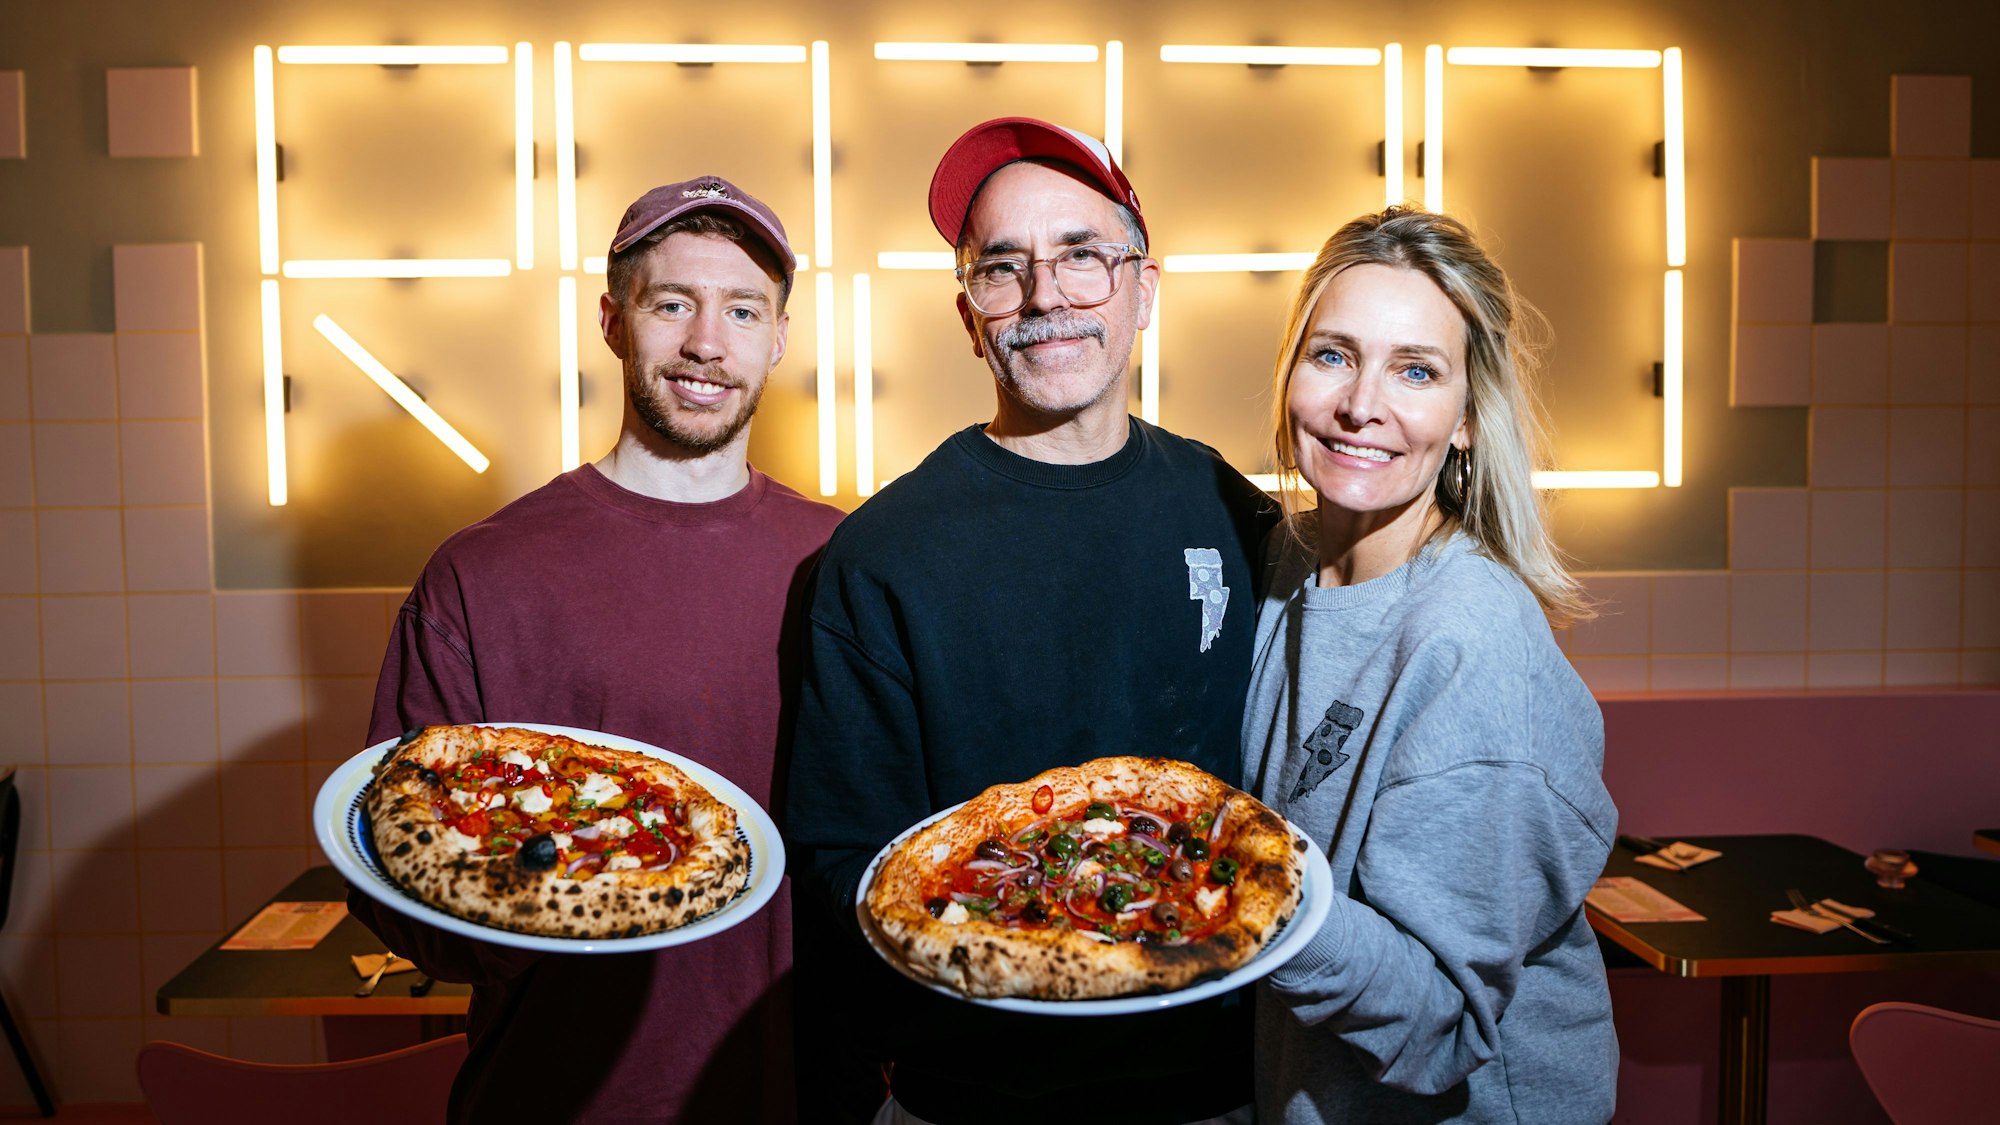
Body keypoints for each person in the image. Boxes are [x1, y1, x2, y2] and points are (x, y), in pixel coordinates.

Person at [784, 117, 1276, 1125]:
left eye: (1082, 256)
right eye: (1002, 268)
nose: (1045, 295)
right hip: (973, 1096)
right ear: (970, 316)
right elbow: (842, 864)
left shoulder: (1229, 508)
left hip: (1224, 1084)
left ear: (1144, 290)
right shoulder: (882, 553)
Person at [347, 175, 843, 1125]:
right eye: (672, 304)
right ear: (613, 322)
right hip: (557, 1096)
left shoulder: (845, 562)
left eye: (743, 310)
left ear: (779, 337)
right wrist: (551, 887)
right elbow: (392, 886)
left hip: (799, 1095)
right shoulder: (481, 574)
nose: (707, 342)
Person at [1241, 206, 1618, 1123]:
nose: (1360, 404)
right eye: (1333, 355)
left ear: (1467, 419)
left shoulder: (1471, 641)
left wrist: (1235, 893)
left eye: (1415, 370)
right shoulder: (1283, 566)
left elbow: (1439, 1016)